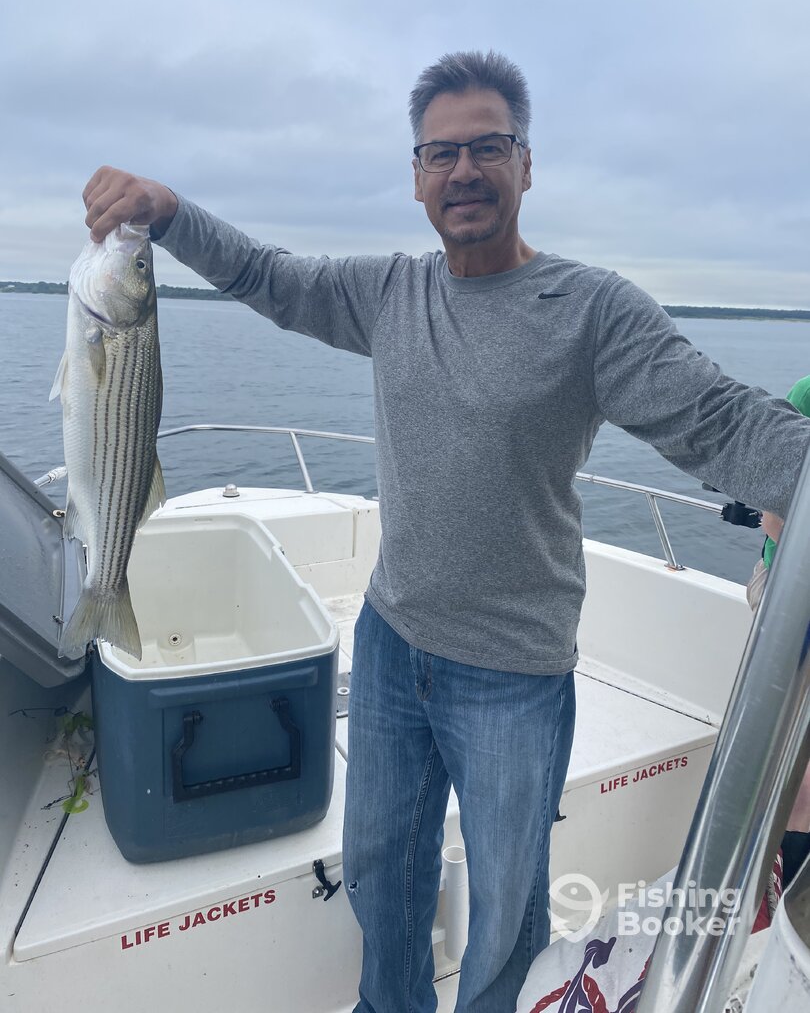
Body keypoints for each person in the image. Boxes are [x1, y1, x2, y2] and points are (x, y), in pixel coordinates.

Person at [82, 51, 810, 1013]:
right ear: (417, 175)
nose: (464, 170)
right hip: (390, 645)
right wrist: (169, 213)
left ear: (526, 164)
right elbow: (266, 275)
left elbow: (721, 422)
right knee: (381, 874)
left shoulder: (591, 311)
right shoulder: (390, 292)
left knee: (506, 914)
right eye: (441, 153)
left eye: (488, 147)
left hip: (514, 672)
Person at [747, 375, 810, 895]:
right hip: (793, 588)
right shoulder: (807, 394)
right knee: (798, 771)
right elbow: (775, 520)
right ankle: (789, 898)